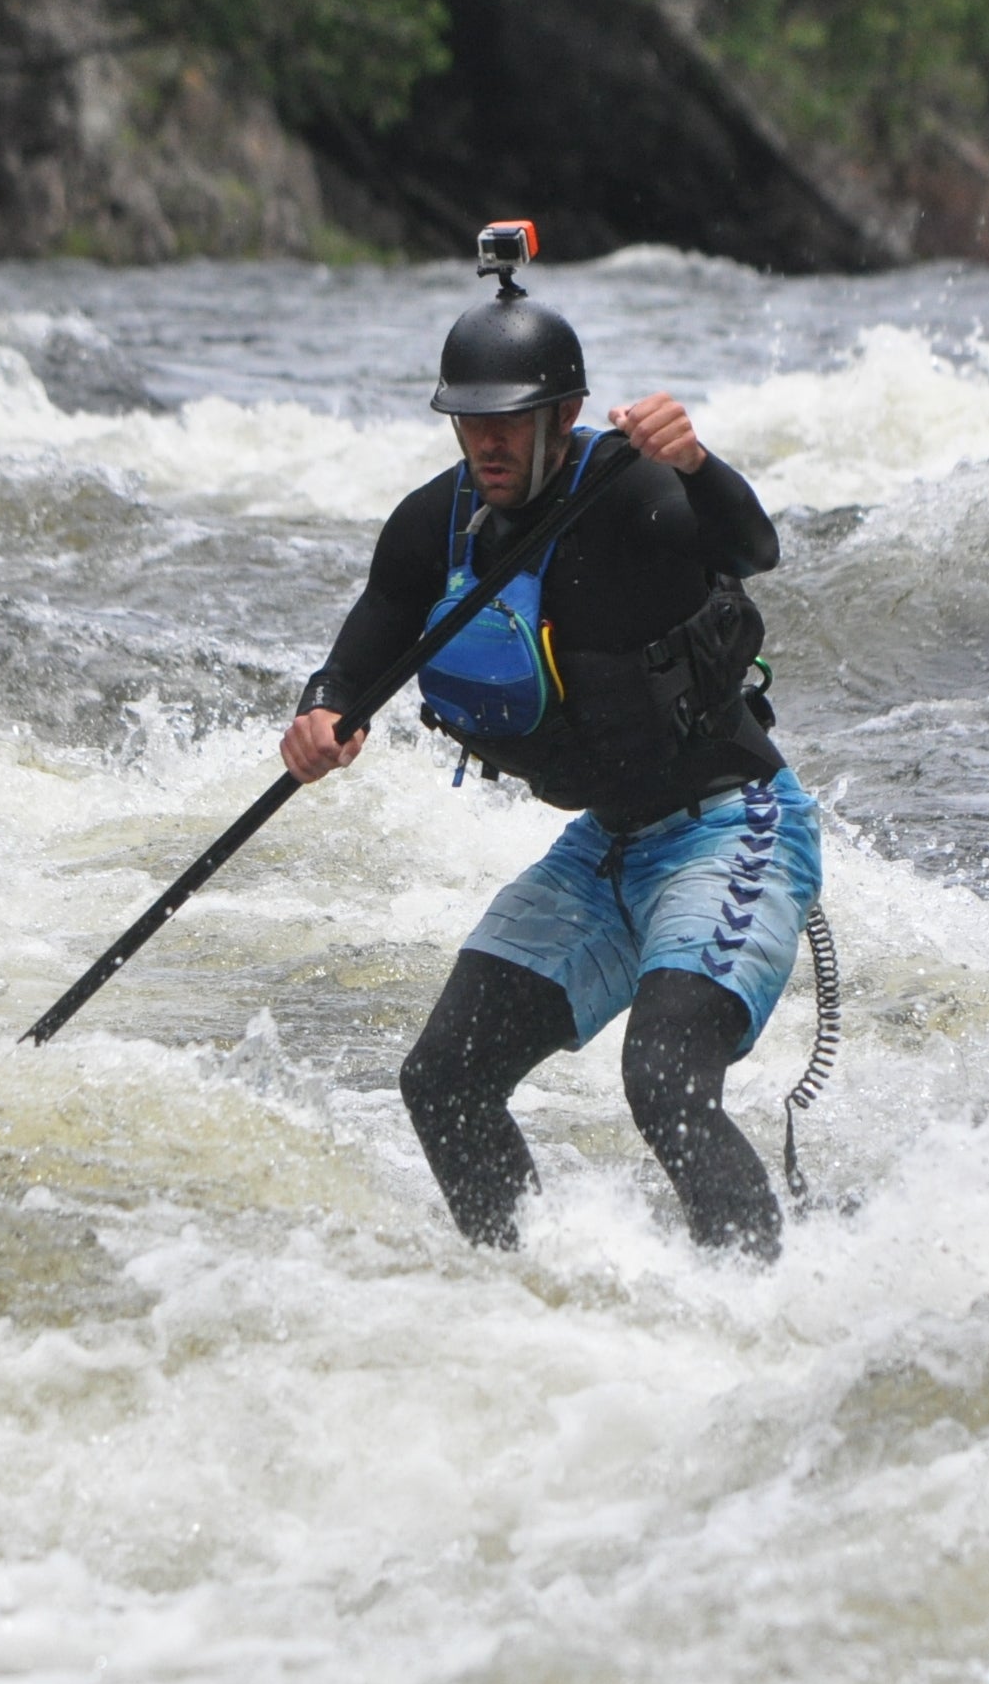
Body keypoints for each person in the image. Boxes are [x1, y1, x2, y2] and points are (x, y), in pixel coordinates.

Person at [282, 233, 819, 1260]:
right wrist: (323, 713)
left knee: (663, 1084)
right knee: (442, 1077)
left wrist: (699, 464)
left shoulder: (636, 495)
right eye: (468, 423)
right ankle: (526, 1297)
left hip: (731, 830)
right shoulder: (432, 527)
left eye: (509, 423)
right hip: (606, 851)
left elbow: (755, 549)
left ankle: (760, 1313)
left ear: (563, 418)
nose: (485, 446)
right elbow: (362, 651)